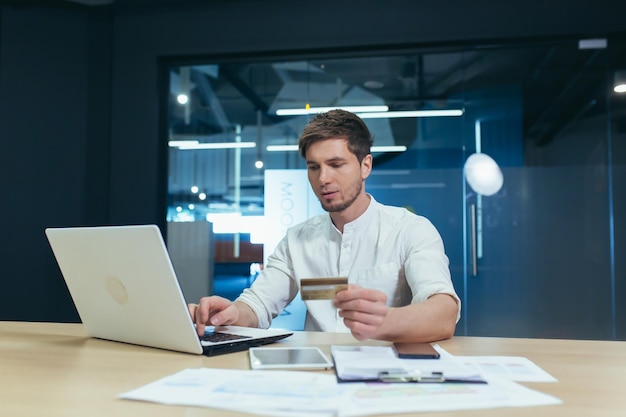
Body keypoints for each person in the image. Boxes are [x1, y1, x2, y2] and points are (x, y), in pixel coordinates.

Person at [189, 109, 460, 343]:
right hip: (316, 372)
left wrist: (385, 321)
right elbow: (258, 304)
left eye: (336, 164)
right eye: (314, 167)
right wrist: (231, 315)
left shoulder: (410, 229)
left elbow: (444, 314)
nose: (323, 178)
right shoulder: (297, 239)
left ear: (365, 166)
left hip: (384, 373)